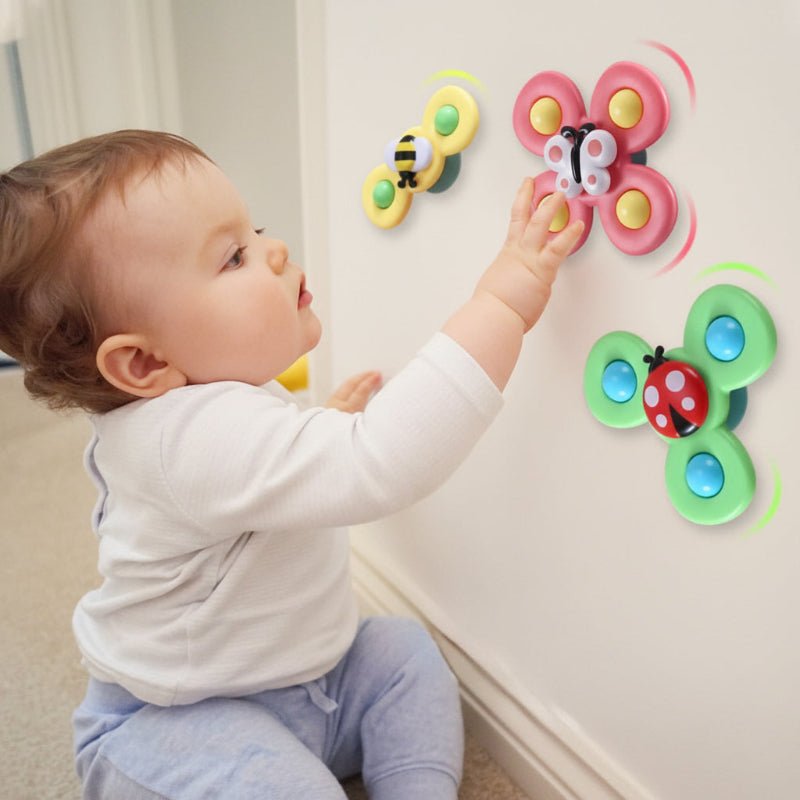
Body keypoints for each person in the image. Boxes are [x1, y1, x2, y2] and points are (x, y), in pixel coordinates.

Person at [0, 130, 583, 799]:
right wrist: (503, 304)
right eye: (235, 257)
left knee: (403, 655)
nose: (275, 251)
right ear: (144, 364)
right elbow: (381, 462)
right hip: (173, 722)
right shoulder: (178, 439)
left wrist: (321, 426)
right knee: (283, 786)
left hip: (310, 685)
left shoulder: (205, 399)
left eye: (259, 231)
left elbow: (262, 475)